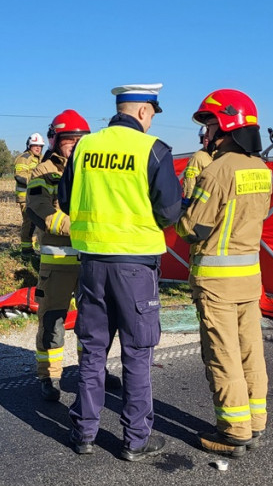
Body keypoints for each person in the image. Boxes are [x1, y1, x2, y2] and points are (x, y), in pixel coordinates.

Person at [57, 83, 183, 461]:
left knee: (92, 351)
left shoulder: (84, 148)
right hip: (135, 267)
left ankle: (83, 434)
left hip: (92, 264)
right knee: (137, 353)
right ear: (145, 111)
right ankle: (135, 439)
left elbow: (65, 200)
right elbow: (169, 213)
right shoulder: (153, 149)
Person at [176, 89, 273, 458]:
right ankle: (256, 421)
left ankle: (234, 432)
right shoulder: (261, 169)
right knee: (250, 350)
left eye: (211, 123)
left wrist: (179, 215)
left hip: (216, 281)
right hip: (249, 276)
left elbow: (193, 229)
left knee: (222, 354)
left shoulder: (217, 171)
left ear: (227, 125)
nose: (207, 132)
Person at [25, 110, 90, 402]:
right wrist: (82, 229)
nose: (75, 144)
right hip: (58, 263)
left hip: (91, 261)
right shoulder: (42, 172)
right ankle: (49, 376)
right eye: (69, 140)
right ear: (56, 140)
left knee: (93, 323)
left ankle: (91, 372)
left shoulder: (92, 170)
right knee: (52, 322)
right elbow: (41, 210)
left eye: (80, 139)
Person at [13, 133, 45, 254]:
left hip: (37, 196)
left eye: (40, 146)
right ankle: (26, 250)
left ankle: (35, 247)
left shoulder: (41, 158)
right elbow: (20, 176)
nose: (38, 148)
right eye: (35, 145)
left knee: (38, 222)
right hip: (25, 197)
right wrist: (36, 182)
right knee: (29, 222)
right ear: (29, 146)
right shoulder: (24, 158)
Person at [182, 127, 213, 204]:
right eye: (203, 137)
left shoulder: (222, 155)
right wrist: (189, 203)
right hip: (201, 204)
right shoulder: (197, 158)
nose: (205, 139)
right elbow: (190, 183)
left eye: (208, 136)